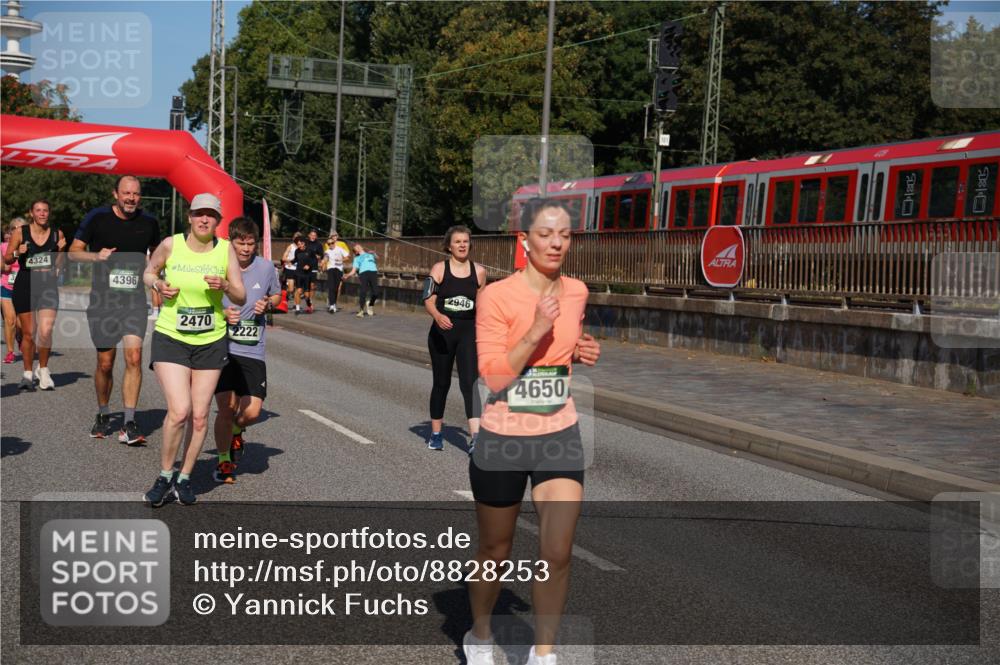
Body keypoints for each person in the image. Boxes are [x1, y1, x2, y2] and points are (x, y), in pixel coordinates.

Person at [463, 198, 601, 665]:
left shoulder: (577, 292)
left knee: (557, 551)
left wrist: (580, 350)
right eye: (545, 234)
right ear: (524, 241)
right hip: (503, 438)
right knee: (494, 549)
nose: (556, 243)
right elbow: (493, 377)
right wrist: (537, 328)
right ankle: (480, 634)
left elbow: (559, 354)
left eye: (564, 234)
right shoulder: (496, 296)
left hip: (558, 434)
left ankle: (543, 654)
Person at [142, 193, 245, 506]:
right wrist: (158, 285)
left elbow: (240, 295)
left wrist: (225, 286)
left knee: (199, 417)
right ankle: (164, 475)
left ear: (217, 221)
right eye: (199, 213)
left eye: (210, 215)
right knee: (180, 411)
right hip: (171, 336)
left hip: (210, 340)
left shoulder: (225, 250)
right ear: (189, 217)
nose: (204, 219)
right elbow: (149, 272)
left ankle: (184, 478)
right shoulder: (171, 244)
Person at [69, 175, 161, 443]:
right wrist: (95, 256)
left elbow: (158, 256)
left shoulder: (149, 222)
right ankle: (103, 412)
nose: (131, 198)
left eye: (136, 194)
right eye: (126, 193)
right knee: (105, 363)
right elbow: (74, 251)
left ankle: (129, 422)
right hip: (103, 302)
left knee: (134, 357)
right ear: (116, 194)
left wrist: (157, 281)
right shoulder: (97, 218)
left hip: (133, 301)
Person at [212, 217, 281, 483]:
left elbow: (276, 295)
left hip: (253, 350)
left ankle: (236, 431)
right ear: (231, 242)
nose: (246, 249)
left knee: (251, 412)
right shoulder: (219, 266)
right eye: (241, 243)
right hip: (222, 347)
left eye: (250, 243)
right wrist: (221, 313)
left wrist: (268, 303)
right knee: (226, 407)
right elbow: (203, 300)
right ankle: (224, 461)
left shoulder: (265, 267)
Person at [423, 225, 487, 451]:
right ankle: (436, 434)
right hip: (442, 334)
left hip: (468, 333)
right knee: (442, 383)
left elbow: (482, 304)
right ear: (449, 246)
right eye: (457, 241)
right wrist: (438, 315)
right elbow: (428, 299)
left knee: (470, 384)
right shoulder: (439, 269)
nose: (462, 245)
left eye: (465, 241)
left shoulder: (479, 272)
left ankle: (476, 438)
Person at [3, 200, 66, 391]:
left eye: (45, 210)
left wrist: (61, 250)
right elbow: (7, 259)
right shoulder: (20, 232)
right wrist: (17, 252)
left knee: (46, 331)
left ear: (49, 213)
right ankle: (28, 373)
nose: (42, 214)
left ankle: (44, 370)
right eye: (38, 210)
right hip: (25, 284)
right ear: (31, 213)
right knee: (29, 333)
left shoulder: (57, 234)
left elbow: (59, 264)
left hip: (47, 285)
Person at [1, 218, 27, 364]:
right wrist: (16, 253)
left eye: (22, 229)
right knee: (9, 320)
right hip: (6, 286)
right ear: (11, 232)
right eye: (15, 229)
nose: (18, 231)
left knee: (21, 324)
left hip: (23, 287)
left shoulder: (30, 247)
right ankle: (10, 352)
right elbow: (4, 267)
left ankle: (19, 336)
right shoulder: (4, 247)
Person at [343, 242, 379, 318]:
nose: (358, 246)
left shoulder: (370, 254)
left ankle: (370, 304)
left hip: (373, 272)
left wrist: (374, 253)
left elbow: (377, 258)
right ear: (356, 252)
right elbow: (353, 270)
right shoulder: (357, 258)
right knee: (363, 292)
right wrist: (348, 275)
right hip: (363, 274)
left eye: (358, 245)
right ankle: (361, 310)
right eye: (356, 247)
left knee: (376, 293)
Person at [321, 231, 350, 313]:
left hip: (339, 269)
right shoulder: (327, 251)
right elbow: (326, 258)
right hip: (331, 269)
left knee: (336, 287)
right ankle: (331, 305)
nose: (330, 245)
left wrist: (341, 259)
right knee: (331, 287)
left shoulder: (340, 249)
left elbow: (347, 257)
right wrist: (323, 262)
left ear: (334, 242)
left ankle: (334, 303)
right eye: (329, 244)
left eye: (332, 243)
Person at [291, 235, 313, 315]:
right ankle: (297, 308)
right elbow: (296, 259)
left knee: (307, 295)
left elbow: (314, 261)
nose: (299, 246)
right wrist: (289, 262)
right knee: (299, 291)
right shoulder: (297, 251)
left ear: (303, 243)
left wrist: (309, 266)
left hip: (307, 275)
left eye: (300, 244)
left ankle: (308, 303)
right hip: (298, 273)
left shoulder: (310, 251)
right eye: (298, 244)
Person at [303, 229, 324, 314]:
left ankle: (310, 304)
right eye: (312, 235)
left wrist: (318, 256)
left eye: (314, 235)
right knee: (306, 287)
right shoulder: (305, 243)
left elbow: (321, 255)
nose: (313, 237)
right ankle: (307, 301)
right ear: (309, 235)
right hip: (305, 267)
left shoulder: (318, 244)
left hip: (314, 267)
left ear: (316, 236)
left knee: (312, 286)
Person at [281, 232, 300, 298]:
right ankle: (284, 296)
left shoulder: (302, 247)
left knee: (299, 289)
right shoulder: (290, 247)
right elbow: (283, 258)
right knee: (291, 289)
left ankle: (294, 303)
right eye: (295, 238)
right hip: (290, 269)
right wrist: (290, 261)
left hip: (299, 269)